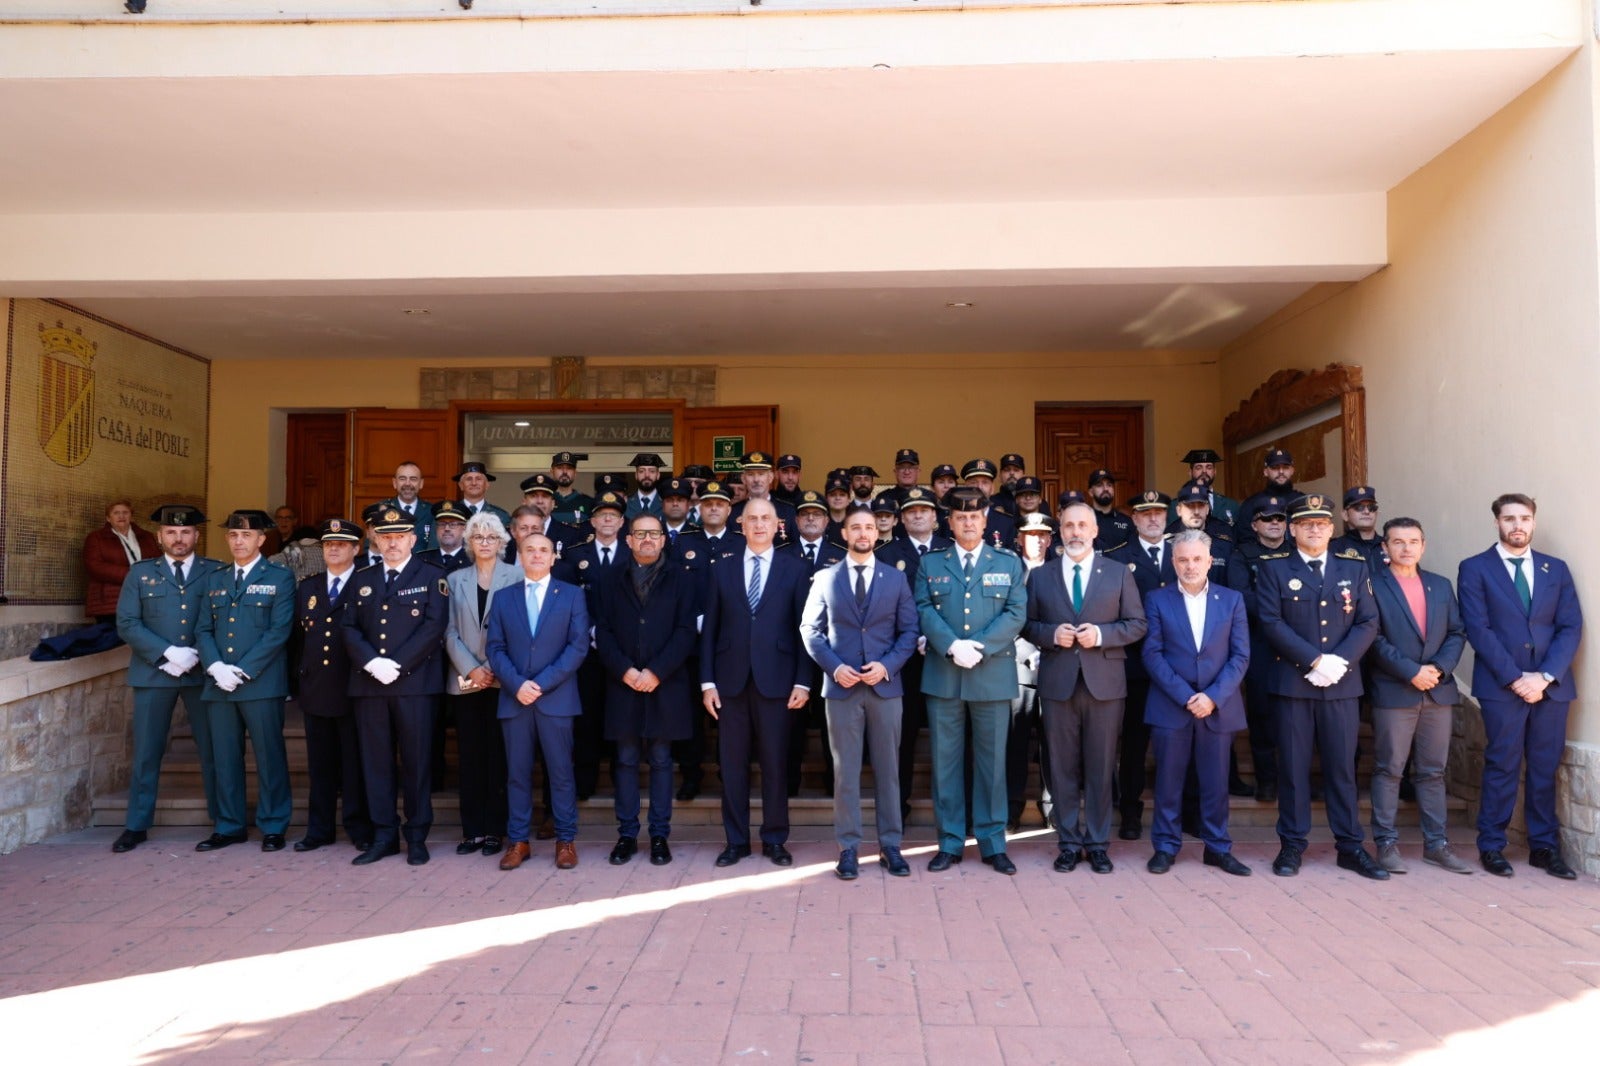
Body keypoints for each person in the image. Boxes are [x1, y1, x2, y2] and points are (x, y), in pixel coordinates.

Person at [1257, 493, 1384, 879]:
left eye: (1322, 523)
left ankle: (1350, 846)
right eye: (1307, 523)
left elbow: (1368, 622)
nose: (1315, 528)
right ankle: (1292, 846)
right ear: (1293, 529)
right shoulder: (1273, 568)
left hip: (1341, 685)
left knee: (1342, 768)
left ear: (1332, 528)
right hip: (1295, 683)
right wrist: (1314, 660)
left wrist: (1338, 662)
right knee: (1293, 769)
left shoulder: (1354, 567)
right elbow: (1270, 621)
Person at [1457, 493, 1583, 879]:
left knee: (1545, 768)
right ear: (1496, 522)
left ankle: (1544, 848)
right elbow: (1479, 629)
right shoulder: (1475, 568)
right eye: (1509, 518)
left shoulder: (1555, 569)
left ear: (1533, 522)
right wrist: (1516, 678)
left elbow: (1570, 626)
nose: (1517, 525)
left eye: (1524, 518)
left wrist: (1543, 676)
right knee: (1502, 764)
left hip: (1551, 686)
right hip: (1501, 686)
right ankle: (1492, 845)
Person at [1024, 501, 1148, 874]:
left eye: (1082, 526)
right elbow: (1027, 625)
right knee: (1060, 768)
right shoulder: (1042, 576)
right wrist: (1050, 634)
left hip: (1105, 684)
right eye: (1068, 526)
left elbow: (1137, 624)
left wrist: (1101, 634)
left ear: (1095, 531)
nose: (1075, 532)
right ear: (1059, 532)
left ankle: (1096, 843)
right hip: (1058, 683)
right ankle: (1067, 842)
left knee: (1101, 765)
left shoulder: (1117, 573)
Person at [802, 504, 919, 880]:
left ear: (878, 533)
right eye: (856, 527)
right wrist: (835, 667)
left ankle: (891, 845)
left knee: (889, 771)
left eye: (869, 527)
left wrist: (887, 665)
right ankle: (848, 848)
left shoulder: (895, 579)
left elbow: (909, 631)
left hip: (885, 688)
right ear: (845, 533)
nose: (864, 533)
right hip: (842, 688)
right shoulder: (825, 578)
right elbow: (811, 631)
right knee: (846, 772)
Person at [915, 487, 1028, 874]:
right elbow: (923, 607)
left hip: (991, 673)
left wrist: (978, 646)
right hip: (944, 674)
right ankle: (949, 841)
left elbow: (1016, 612)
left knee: (991, 764)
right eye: (960, 517)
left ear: (985, 521)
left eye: (974, 516)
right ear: (950, 521)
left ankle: (993, 843)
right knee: (946, 764)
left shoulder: (1008, 563)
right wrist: (950, 645)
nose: (967, 522)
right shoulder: (931, 563)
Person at [701, 498, 812, 867]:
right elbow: (710, 632)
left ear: (778, 524)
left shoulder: (795, 569)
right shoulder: (722, 569)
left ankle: (775, 838)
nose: (759, 524)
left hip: (778, 682)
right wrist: (707, 683)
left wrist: (803, 681)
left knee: (775, 764)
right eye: (753, 519)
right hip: (730, 683)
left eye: (766, 518)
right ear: (741, 525)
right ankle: (736, 841)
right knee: (731, 765)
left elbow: (803, 631)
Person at [110, 504, 223, 853]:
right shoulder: (141, 574)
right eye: (171, 532)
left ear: (197, 536)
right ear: (159, 537)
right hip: (153, 673)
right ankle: (137, 824)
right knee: (147, 751)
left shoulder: (216, 572)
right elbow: (127, 623)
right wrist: (166, 654)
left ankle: (224, 820)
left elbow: (225, 623)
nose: (179, 538)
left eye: (186, 532)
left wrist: (198, 656)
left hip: (202, 674)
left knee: (213, 750)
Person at [1140, 530, 1252, 876]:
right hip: (1172, 705)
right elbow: (1152, 653)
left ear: (1209, 561)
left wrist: (1213, 697)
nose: (1190, 566)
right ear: (1173, 562)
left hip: (1217, 707)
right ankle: (1165, 846)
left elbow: (1240, 655)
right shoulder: (1157, 600)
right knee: (1168, 783)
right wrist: (1186, 696)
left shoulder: (1231, 600)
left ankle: (1217, 848)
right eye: (1183, 559)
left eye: (1197, 559)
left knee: (1216, 783)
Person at [342, 507, 449, 866]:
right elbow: (349, 627)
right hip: (370, 685)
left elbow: (434, 627)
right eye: (385, 536)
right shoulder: (361, 577)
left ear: (413, 540)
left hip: (415, 685)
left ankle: (417, 837)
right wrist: (373, 662)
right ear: (375, 539)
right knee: (376, 764)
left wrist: (398, 665)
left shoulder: (432, 576)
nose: (392, 543)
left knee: (417, 763)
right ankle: (384, 835)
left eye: (399, 536)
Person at [1367, 517, 1471, 874]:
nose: (1406, 548)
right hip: (1395, 690)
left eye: (1413, 541)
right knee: (1389, 769)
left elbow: (1457, 632)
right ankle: (1386, 843)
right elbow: (1373, 638)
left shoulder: (1440, 586)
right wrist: (1411, 671)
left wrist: (1438, 669)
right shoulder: (1373, 585)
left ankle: (1437, 844)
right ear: (1385, 547)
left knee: (1432, 772)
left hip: (1437, 691)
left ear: (1423, 545)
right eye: (1398, 541)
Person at [594, 513, 698, 866]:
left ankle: (658, 835)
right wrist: (625, 670)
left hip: (665, 684)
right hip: (622, 683)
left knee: (661, 761)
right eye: (641, 534)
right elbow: (601, 632)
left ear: (664, 539)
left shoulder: (683, 579)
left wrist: (656, 671)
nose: (648, 540)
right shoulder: (608, 579)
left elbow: (686, 631)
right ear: (629, 540)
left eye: (654, 534)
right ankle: (626, 835)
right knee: (623, 761)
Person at [487, 533, 591, 871]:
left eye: (543, 550)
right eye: (529, 550)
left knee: (561, 773)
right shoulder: (503, 598)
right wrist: (517, 684)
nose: (536, 555)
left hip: (556, 699)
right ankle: (518, 841)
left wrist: (540, 684)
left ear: (553, 557)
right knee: (516, 774)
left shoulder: (572, 595)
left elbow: (577, 647)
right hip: (515, 698)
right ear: (520, 555)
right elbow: (495, 648)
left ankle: (565, 840)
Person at [194, 509, 297, 853]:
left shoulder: (280, 577)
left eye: (247, 536)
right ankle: (229, 825)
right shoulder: (215, 578)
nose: (239, 541)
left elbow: (279, 631)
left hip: (261, 683)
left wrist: (242, 669)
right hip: (219, 683)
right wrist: (216, 667)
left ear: (261, 540)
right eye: (234, 535)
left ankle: (273, 825)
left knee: (269, 756)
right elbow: (203, 629)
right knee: (224, 757)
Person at [291, 517, 374, 853]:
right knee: (320, 766)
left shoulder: (368, 584)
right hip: (318, 689)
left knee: (355, 765)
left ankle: (357, 827)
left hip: (355, 689)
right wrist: (297, 683)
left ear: (357, 549)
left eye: (341, 544)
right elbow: (297, 640)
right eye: (328, 544)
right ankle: (319, 828)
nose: (334, 549)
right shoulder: (308, 587)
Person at [444, 511, 521, 858]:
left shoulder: (517, 575)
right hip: (465, 681)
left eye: (491, 537)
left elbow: (521, 629)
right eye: (479, 537)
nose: (485, 543)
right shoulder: (455, 578)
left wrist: (491, 668)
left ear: (502, 541)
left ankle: (495, 830)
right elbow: (448, 631)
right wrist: (472, 669)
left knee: (499, 758)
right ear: (469, 542)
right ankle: (471, 830)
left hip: (502, 680)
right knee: (470, 758)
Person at [1104, 490, 1175, 839]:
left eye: (1158, 513)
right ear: (1133, 519)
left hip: (1178, 667)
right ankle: (1130, 811)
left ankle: (1179, 811)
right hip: (1134, 666)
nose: (1152, 519)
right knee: (1133, 743)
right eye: (1145, 514)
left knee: (1177, 741)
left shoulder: (1184, 553)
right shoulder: (1118, 558)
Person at [876, 486, 949, 823]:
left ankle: (951, 809)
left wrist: (938, 639)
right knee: (901, 739)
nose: (918, 515)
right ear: (902, 518)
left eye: (925, 510)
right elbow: (882, 609)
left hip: (947, 659)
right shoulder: (886, 554)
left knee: (949, 738)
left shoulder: (951, 551)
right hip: (904, 662)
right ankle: (898, 809)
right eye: (911, 511)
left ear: (936, 517)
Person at [555, 490, 631, 800]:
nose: (608, 519)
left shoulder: (633, 554)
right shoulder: (576, 555)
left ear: (622, 521)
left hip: (623, 650)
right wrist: (586, 630)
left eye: (614, 515)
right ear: (593, 520)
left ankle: (621, 782)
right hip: (584, 650)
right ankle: (584, 784)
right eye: (602, 515)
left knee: (620, 715)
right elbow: (568, 604)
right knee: (585, 719)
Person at [1223, 496, 1292, 802]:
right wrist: (1281, 613)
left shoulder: (1296, 554)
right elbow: (1242, 596)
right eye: (1267, 518)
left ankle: (1294, 781)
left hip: (1295, 647)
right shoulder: (1242, 555)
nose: (1274, 523)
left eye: (1279, 518)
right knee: (1261, 715)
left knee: (1294, 718)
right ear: (1254, 525)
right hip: (1258, 643)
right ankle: (1266, 781)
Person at [1007, 513, 1055, 831]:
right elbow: (1003, 617)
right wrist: (1028, 653)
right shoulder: (1007, 571)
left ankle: (1051, 807)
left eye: (1042, 535)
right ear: (1019, 539)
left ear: (1050, 539)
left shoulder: (1060, 572)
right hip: (1018, 667)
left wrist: (1047, 650)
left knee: (1053, 741)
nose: (1036, 540)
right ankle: (1011, 808)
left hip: (1055, 666)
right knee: (1016, 741)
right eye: (1030, 534)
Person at [83, 498, 159, 623]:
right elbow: (94, 567)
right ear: (108, 518)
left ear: (131, 516)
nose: (121, 516)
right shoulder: (96, 538)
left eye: (125, 512)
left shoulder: (146, 537)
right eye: (116, 513)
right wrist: (133, 575)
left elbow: (158, 562)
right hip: (110, 601)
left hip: (144, 599)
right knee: (113, 639)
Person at [1233, 448, 1296, 542]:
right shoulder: (1251, 504)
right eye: (1275, 467)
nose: (1281, 471)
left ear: (1292, 470)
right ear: (1265, 472)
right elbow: (1245, 539)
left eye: (1286, 467)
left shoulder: (1301, 501)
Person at [1169, 449, 1239, 526]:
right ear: (1190, 472)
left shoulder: (1231, 505)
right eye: (1199, 468)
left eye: (1209, 467)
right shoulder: (1174, 505)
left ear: (1215, 472)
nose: (1204, 471)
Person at [384, 461, 437, 551]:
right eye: (402, 479)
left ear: (421, 483)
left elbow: (433, 549)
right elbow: (371, 548)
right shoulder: (383, 510)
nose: (407, 483)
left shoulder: (432, 512)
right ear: (394, 483)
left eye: (413, 479)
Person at [1330, 485, 1388, 567]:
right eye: (1359, 507)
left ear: (1376, 513)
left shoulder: (1388, 545)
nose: (1367, 511)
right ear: (1345, 515)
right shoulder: (1333, 548)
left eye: (1372, 507)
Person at [450, 461, 512, 528]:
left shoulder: (501, 516)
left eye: (478, 479)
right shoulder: (451, 513)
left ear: (487, 485)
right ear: (461, 485)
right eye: (469, 479)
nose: (474, 483)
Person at [1085, 469, 1134, 552]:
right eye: (1099, 485)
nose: (1105, 489)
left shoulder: (1126, 521)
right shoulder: (1083, 520)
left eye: (1109, 485)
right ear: (1091, 492)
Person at [549, 450, 593, 526]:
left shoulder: (588, 502)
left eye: (569, 468)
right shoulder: (545, 501)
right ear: (551, 472)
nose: (565, 472)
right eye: (560, 468)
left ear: (575, 473)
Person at [427, 500, 472, 571]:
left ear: (464, 528)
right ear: (436, 528)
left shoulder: (473, 561)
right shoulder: (423, 560)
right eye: (442, 524)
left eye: (453, 524)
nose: (446, 528)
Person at [625, 452, 666, 519]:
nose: (647, 475)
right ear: (636, 475)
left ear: (658, 475)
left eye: (652, 471)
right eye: (641, 471)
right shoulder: (625, 503)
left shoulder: (666, 503)